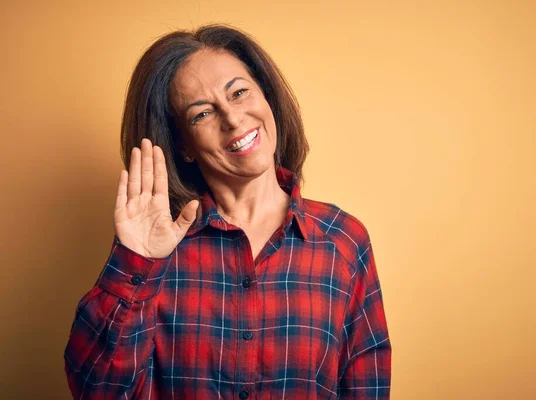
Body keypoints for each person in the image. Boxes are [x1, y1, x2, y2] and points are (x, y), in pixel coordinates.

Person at [64, 24, 391, 399]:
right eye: (201, 114)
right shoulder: (155, 246)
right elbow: (97, 390)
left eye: (239, 92)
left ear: (266, 97)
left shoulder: (343, 241)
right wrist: (135, 262)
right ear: (183, 145)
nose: (233, 119)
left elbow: (367, 386)